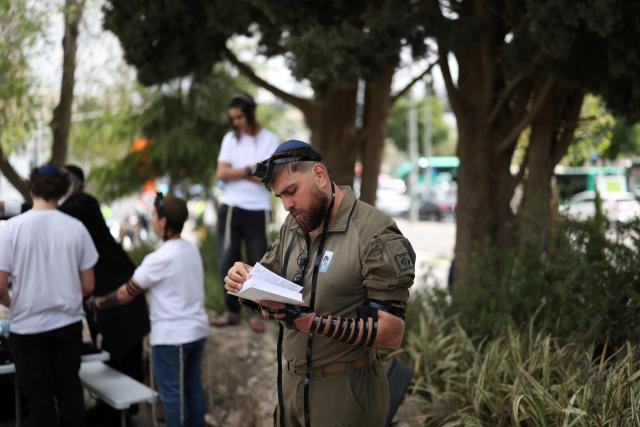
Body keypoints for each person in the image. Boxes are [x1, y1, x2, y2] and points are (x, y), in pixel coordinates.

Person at [223, 140, 416, 426]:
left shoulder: (374, 232)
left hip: (345, 395)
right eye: (280, 197)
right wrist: (245, 281)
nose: (287, 205)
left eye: (291, 191)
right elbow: (268, 279)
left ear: (319, 175)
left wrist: (310, 322)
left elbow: (391, 332)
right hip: (290, 388)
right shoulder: (296, 223)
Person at [89, 193, 209, 427]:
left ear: (163, 222)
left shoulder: (159, 258)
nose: (152, 219)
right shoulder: (191, 249)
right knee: (193, 388)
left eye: (154, 215)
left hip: (171, 338)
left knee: (172, 395)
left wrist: (98, 303)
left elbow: (126, 293)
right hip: (197, 331)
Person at [0, 165, 99, 427]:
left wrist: (13, 303)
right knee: (70, 394)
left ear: (30, 188)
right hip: (67, 324)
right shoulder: (76, 228)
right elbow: (88, 284)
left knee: (39, 401)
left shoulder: (9, 229)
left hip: (27, 328)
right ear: (63, 189)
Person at [60, 165, 151, 425]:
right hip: (109, 291)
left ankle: (119, 414)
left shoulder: (82, 202)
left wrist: (9, 210)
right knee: (116, 354)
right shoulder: (76, 205)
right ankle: (115, 412)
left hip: (118, 292)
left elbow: (50, 213)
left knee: (123, 354)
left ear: (72, 182)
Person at [211, 93, 280, 333]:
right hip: (231, 206)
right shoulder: (231, 139)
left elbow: (268, 176)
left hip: (258, 209)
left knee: (258, 263)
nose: (235, 122)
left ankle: (255, 315)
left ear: (250, 114)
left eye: (239, 117)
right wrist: (251, 169)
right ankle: (231, 312)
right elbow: (221, 173)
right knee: (227, 260)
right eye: (232, 118)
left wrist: (240, 171)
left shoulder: (271, 139)